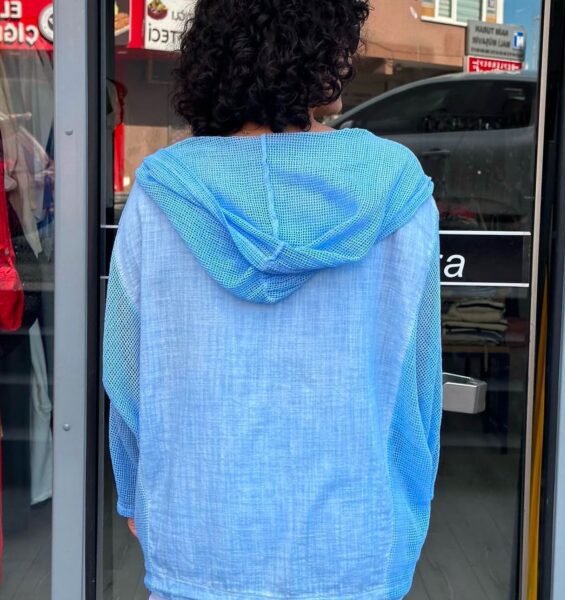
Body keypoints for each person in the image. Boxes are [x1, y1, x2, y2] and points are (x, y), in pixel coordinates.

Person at [101, 1, 443, 599]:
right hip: (352, 544)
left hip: (199, 540)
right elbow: (419, 390)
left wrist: (135, 494)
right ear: (325, 47)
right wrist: (409, 506)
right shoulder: (397, 188)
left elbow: (128, 379)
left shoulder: (162, 191)